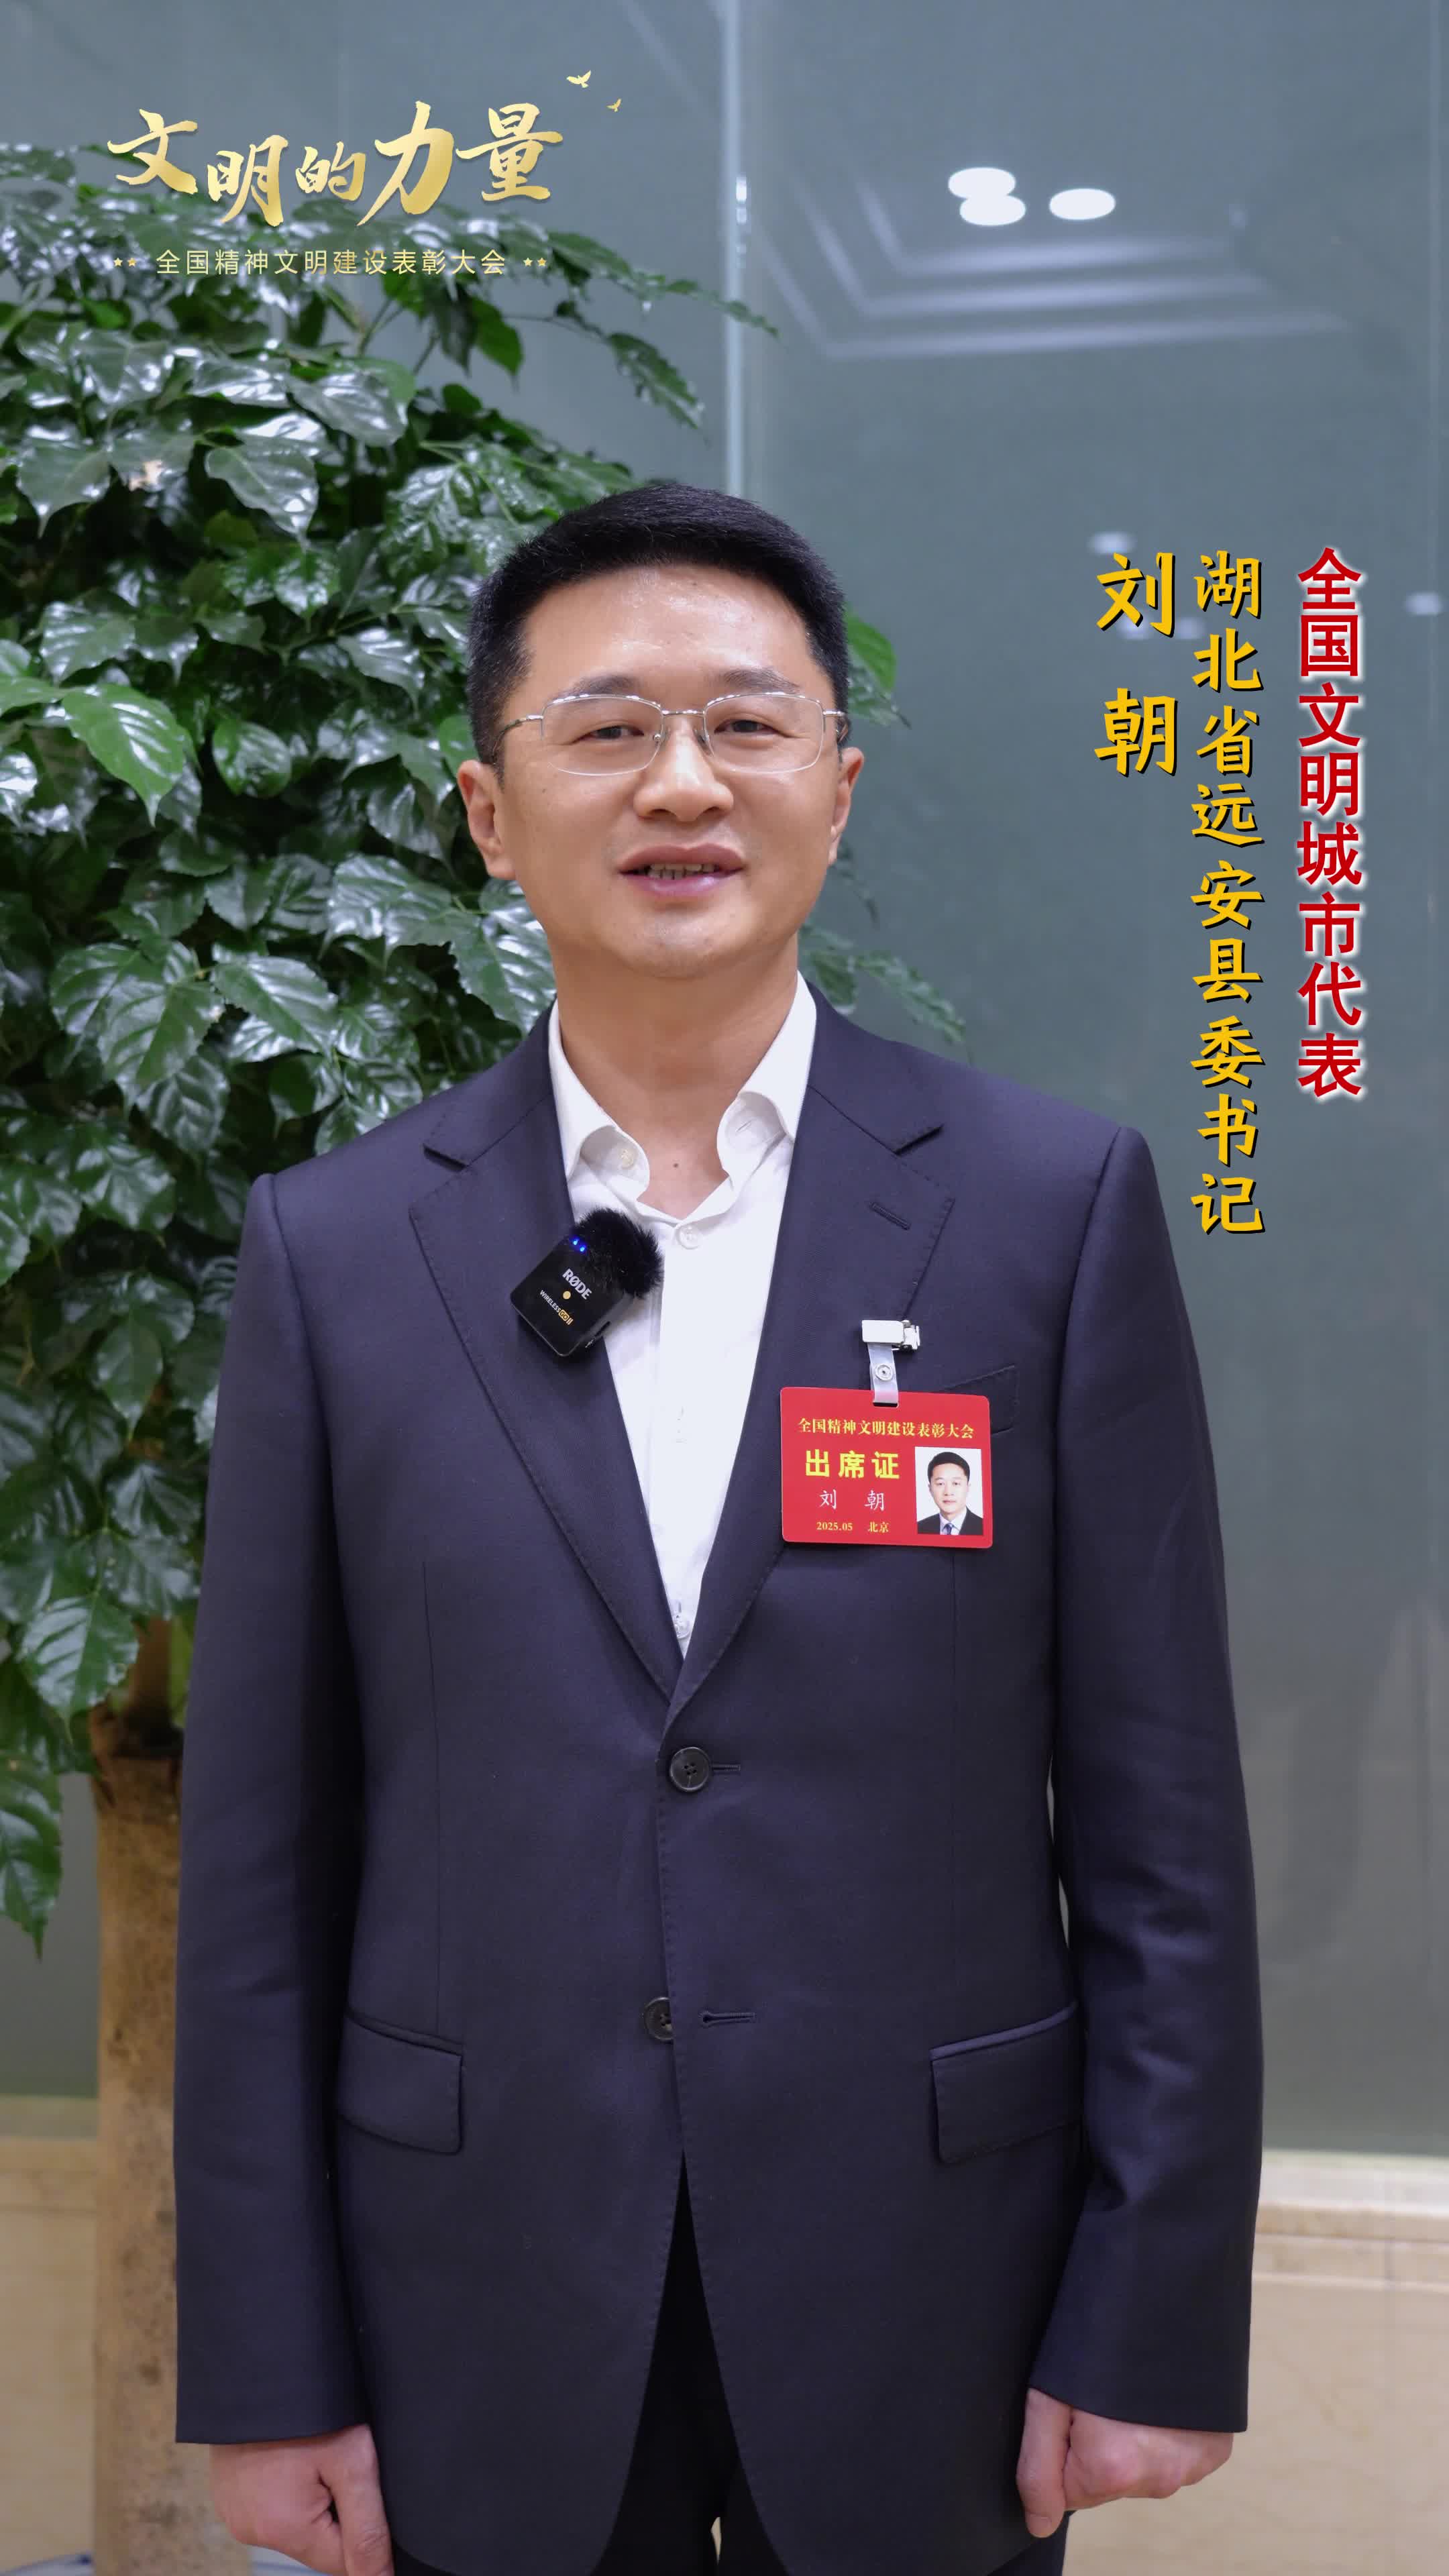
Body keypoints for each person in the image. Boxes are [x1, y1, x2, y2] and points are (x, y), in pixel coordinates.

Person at [173, 481, 1263, 2576]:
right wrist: (266, 2365)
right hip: (470, 2282)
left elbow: (1165, 1835)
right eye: (606, 729)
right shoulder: (338, 1248)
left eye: (749, 725)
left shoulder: (1049, 1213)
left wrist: (1153, 2312)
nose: (683, 783)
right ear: (489, 814)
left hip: (935, 2281)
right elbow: (262, 1866)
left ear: (836, 792)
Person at [916, 1450, 983, 1537]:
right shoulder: (919, 1528)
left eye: (956, 1483)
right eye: (940, 1484)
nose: (948, 1492)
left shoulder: (984, 1528)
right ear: (930, 1489)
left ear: (968, 1487)